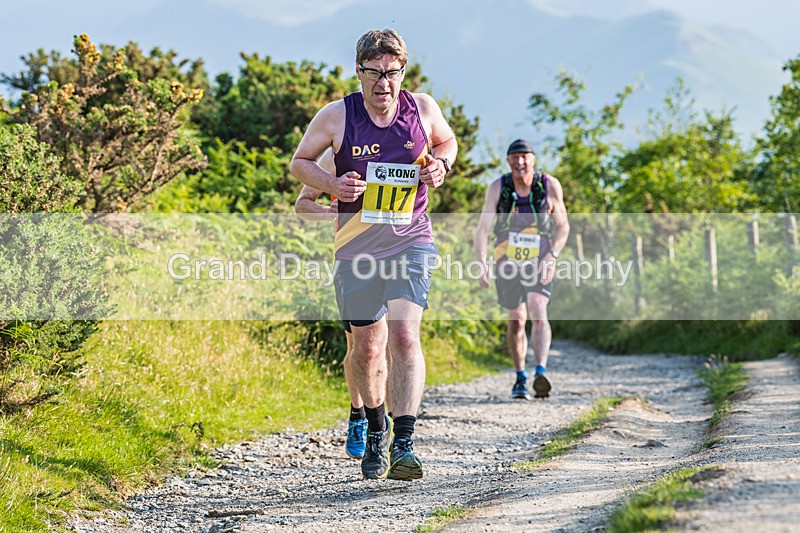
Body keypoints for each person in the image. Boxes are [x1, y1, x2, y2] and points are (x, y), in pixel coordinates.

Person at [290, 28, 456, 481]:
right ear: (359, 72)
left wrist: (441, 165)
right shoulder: (336, 116)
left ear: (403, 71)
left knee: (403, 336)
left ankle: (404, 442)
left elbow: (446, 142)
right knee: (366, 349)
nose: (384, 83)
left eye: (393, 72)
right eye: (375, 73)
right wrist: (334, 186)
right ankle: (375, 424)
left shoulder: (421, 108)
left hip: (410, 239)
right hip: (356, 248)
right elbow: (299, 164)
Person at [473, 139, 569, 400]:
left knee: (538, 309)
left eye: (525, 156)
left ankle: (540, 372)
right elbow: (483, 229)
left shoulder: (548, 186)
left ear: (533, 160)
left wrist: (553, 255)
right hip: (507, 260)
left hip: (540, 258)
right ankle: (520, 377)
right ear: (508, 161)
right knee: (517, 320)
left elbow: (563, 227)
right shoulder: (498, 188)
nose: (520, 162)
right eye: (514, 157)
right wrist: (481, 262)